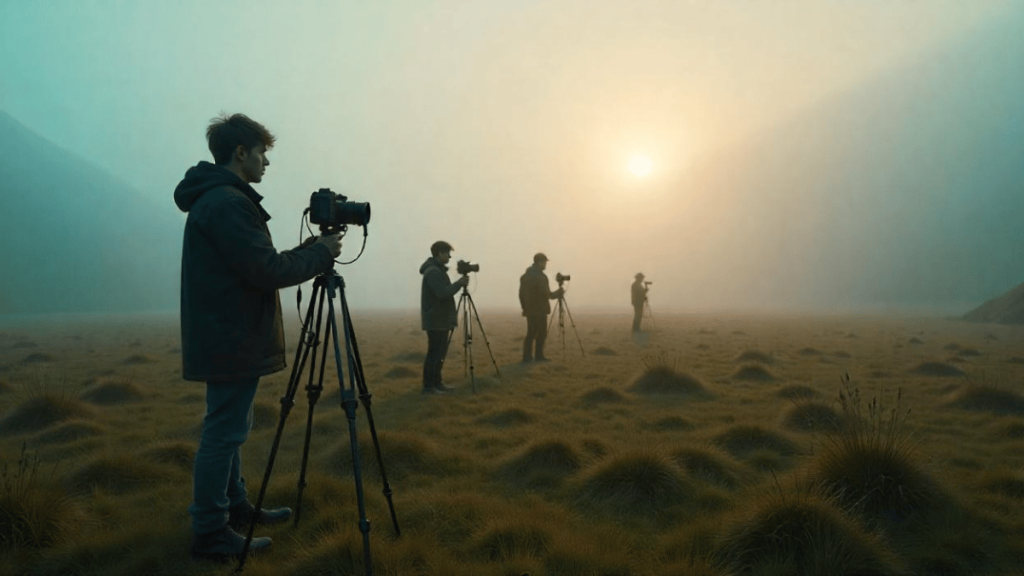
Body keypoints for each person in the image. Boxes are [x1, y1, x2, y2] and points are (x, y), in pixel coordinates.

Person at [174, 113, 343, 562]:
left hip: (225, 334)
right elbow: (266, 270)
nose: (267, 161)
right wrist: (320, 254)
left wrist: (311, 251)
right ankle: (211, 532)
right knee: (224, 432)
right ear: (241, 152)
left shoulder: (216, 198)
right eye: (262, 152)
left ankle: (234, 507)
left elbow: (254, 263)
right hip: (231, 336)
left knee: (230, 428)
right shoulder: (228, 203)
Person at [419, 241, 469, 394]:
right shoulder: (433, 272)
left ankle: (437, 383)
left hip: (439, 318)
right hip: (436, 319)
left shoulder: (437, 270)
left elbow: (443, 291)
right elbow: (442, 293)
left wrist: (458, 284)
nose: (449, 256)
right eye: (447, 253)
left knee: (439, 353)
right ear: (440, 253)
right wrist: (459, 284)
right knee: (434, 353)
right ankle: (429, 387)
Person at [518, 253, 563, 362]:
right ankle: (539, 356)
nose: (545, 264)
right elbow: (546, 294)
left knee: (531, 333)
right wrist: (558, 293)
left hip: (529, 310)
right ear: (540, 262)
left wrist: (524, 308)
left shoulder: (525, 276)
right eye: (545, 262)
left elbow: (521, 294)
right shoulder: (540, 277)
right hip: (540, 310)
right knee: (541, 334)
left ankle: (527, 357)